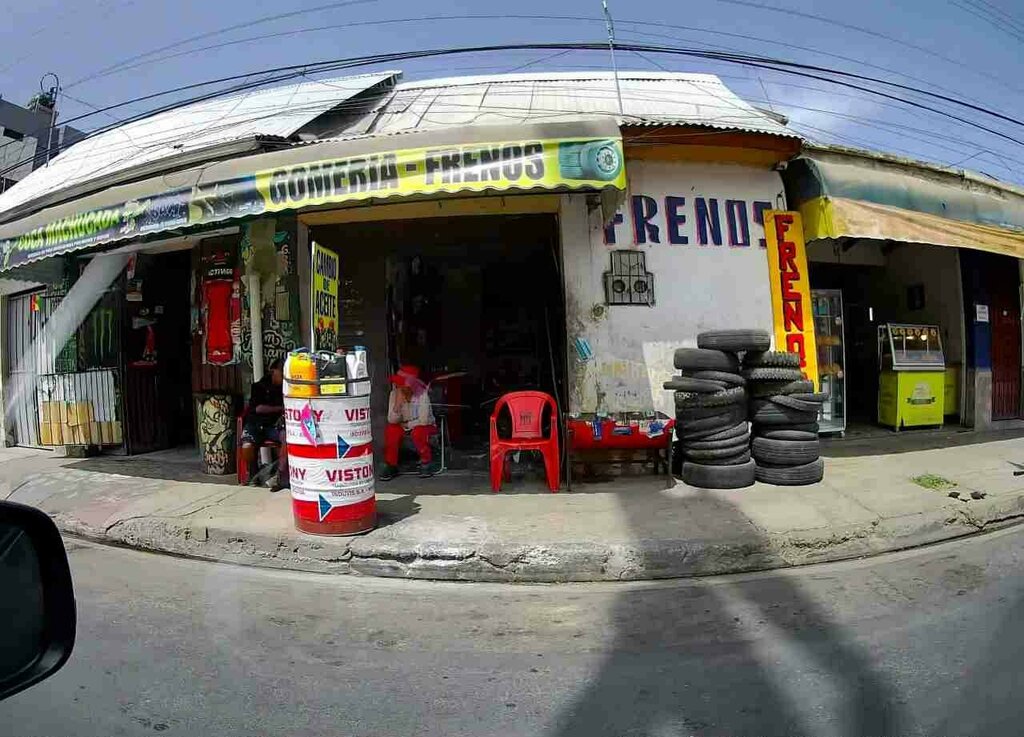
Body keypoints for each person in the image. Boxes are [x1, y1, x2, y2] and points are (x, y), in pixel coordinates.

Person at [381, 365, 438, 480]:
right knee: (391, 430)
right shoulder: (394, 394)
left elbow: (423, 420)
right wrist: (397, 406)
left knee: (418, 431)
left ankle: (426, 462)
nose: (399, 387)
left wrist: (407, 425)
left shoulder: (422, 395)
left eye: (402, 384)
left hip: (424, 426)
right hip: (403, 425)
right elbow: (391, 420)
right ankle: (391, 465)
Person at [241, 357, 289, 491]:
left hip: (274, 425)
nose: (284, 377)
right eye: (281, 373)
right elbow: (258, 408)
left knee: (287, 438)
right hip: (256, 423)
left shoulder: (286, 389)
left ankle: (280, 475)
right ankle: (252, 474)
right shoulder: (259, 387)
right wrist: (280, 408)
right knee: (247, 446)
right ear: (273, 371)